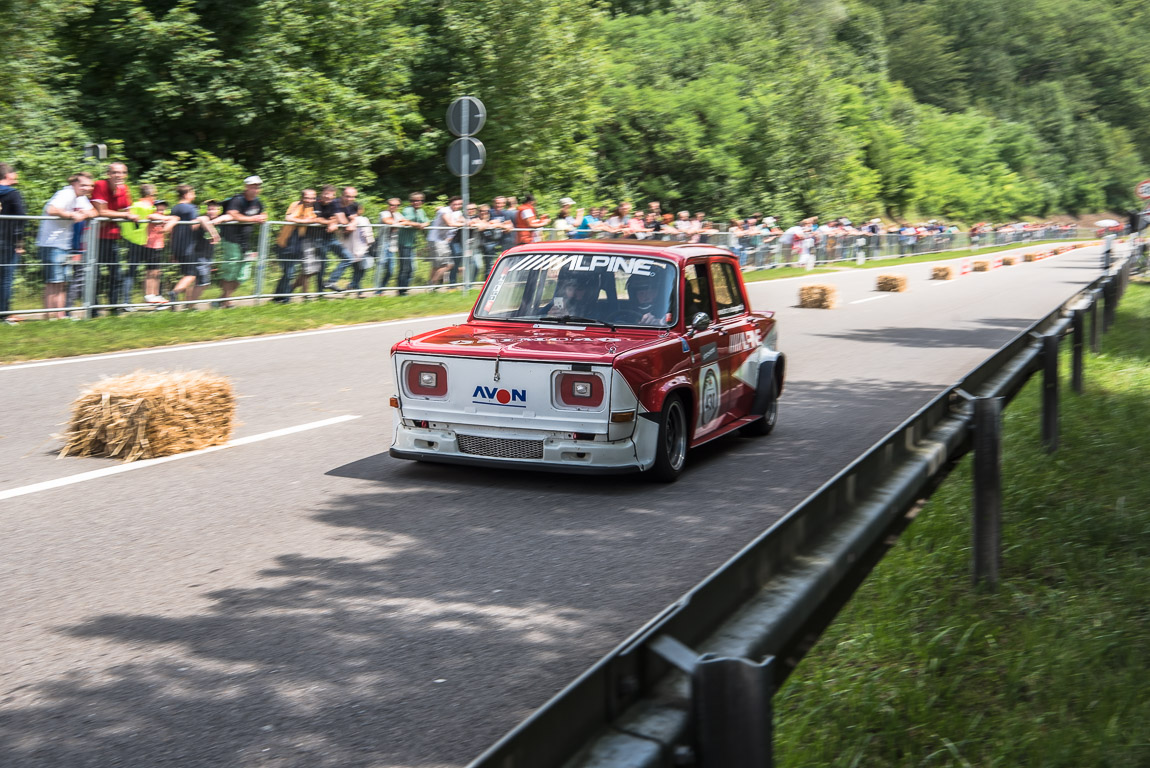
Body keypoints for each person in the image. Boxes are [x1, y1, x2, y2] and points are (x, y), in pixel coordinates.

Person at [38, 172, 95, 319]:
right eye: (83, 185)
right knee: (53, 282)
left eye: (89, 185)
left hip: (64, 244)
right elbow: (51, 209)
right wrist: (71, 215)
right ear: (74, 184)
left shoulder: (80, 198)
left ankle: (60, 316)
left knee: (62, 282)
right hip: (52, 243)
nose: (87, 188)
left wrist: (84, 214)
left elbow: (94, 211)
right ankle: (49, 317)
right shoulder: (66, 194)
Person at [90, 162, 139, 314]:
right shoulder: (100, 185)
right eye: (115, 173)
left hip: (112, 236)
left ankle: (114, 307)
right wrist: (125, 215)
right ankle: (93, 309)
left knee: (116, 274)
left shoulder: (124, 189)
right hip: (94, 237)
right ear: (108, 174)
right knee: (95, 275)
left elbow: (128, 209)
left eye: (122, 172)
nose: (119, 175)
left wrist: (130, 215)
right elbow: (101, 212)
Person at [169, 185, 222, 306]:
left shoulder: (175, 208)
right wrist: (213, 233)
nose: (194, 195)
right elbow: (194, 224)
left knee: (191, 277)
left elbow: (174, 230)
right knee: (194, 277)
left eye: (214, 208)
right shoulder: (193, 210)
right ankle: (176, 294)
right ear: (187, 194)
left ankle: (187, 304)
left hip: (184, 248)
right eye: (209, 208)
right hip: (192, 251)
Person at [122, 184, 175, 304]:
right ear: (149, 195)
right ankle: (147, 296)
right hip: (145, 241)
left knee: (135, 272)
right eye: (154, 195)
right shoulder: (148, 207)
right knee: (150, 270)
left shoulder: (134, 205)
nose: (154, 198)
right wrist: (169, 222)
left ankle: (128, 301)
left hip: (134, 240)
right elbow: (155, 217)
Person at [219, 175, 267, 305]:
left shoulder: (257, 202)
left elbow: (263, 213)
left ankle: (223, 298)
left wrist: (262, 216)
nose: (255, 189)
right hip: (231, 240)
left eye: (257, 187)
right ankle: (226, 301)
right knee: (231, 270)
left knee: (244, 274)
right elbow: (233, 214)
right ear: (246, 187)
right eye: (253, 186)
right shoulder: (237, 200)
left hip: (246, 242)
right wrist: (254, 219)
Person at [270, 188, 318, 302]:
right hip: (285, 243)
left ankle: (278, 297)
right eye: (307, 197)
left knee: (288, 273)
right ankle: (284, 298)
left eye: (312, 198)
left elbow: (314, 220)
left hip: (298, 244)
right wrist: (305, 221)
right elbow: (289, 218)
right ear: (302, 198)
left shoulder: (314, 208)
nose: (309, 200)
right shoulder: (296, 204)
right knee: (289, 273)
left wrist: (303, 221)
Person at [0, 163, 28, 324]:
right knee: (5, 278)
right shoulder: (13, 194)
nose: (16, 175)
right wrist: (19, 242)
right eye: (14, 173)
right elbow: (21, 218)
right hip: (6, 241)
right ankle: (4, 314)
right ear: (8, 175)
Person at [324, 186, 362, 291]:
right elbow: (341, 219)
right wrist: (350, 224)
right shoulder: (335, 203)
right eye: (347, 196)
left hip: (332, 238)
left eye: (352, 197)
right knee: (320, 265)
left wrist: (353, 223)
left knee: (348, 258)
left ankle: (331, 282)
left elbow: (354, 219)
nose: (350, 199)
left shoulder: (353, 205)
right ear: (342, 195)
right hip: (319, 237)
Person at [397, 192, 429, 295]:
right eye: (415, 200)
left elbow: (427, 221)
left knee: (411, 268)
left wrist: (424, 224)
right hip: (404, 242)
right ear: (411, 202)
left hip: (412, 243)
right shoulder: (408, 210)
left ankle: (405, 289)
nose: (417, 202)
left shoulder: (421, 211)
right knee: (405, 267)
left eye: (420, 200)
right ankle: (402, 290)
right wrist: (418, 224)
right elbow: (404, 221)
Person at [427, 196, 463, 287]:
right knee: (448, 265)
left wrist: (468, 222)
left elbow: (463, 220)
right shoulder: (444, 211)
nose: (457, 206)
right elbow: (450, 223)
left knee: (437, 266)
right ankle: (432, 284)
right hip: (436, 240)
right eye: (455, 204)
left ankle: (430, 285)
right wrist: (465, 224)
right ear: (450, 203)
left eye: (459, 204)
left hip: (443, 241)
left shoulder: (458, 212)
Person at [376, 198, 407, 290]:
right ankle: (376, 290)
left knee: (390, 271)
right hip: (382, 244)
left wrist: (398, 223)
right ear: (388, 204)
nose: (393, 207)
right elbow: (388, 221)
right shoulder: (384, 213)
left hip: (392, 246)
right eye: (391, 204)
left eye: (396, 205)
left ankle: (381, 288)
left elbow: (406, 222)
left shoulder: (398, 214)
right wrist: (399, 223)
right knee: (380, 267)